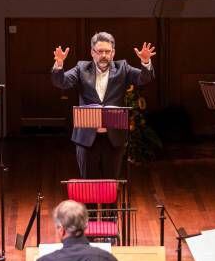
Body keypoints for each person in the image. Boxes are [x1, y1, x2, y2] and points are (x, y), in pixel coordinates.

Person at [51, 32, 155, 180]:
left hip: (113, 138)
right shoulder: (81, 68)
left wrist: (146, 62)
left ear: (113, 53)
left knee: (111, 184)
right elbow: (61, 82)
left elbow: (143, 79)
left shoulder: (122, 68)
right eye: (100, 51)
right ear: (92, 52)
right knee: (89, 187)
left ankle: (111, 205)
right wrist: (59, 64)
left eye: (107, 51)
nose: (104, 55)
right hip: (86, 139)